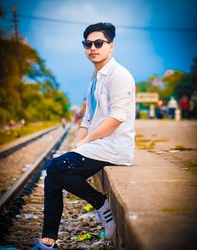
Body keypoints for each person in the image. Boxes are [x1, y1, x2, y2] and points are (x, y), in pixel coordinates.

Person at [32, 22, 135, 250]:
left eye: (99, 43)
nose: (92, 48)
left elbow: (116, 119)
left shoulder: (120, 76)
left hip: (113, 146)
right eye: (87, 44)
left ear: (111, 46)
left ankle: (100, 203)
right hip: (97, 144)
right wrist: (76, 144)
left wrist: (86, 141)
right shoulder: (94, 77)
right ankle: (48, 241)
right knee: (54, 174)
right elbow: (87, 118)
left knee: (55, 168)